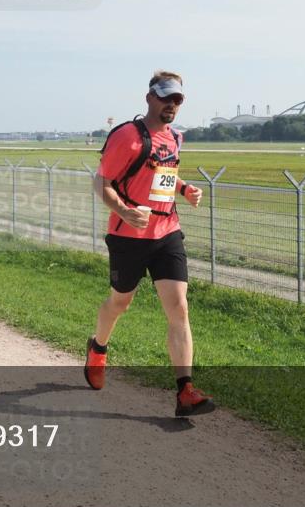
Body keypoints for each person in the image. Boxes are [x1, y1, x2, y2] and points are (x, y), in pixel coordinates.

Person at [85, 70, 214, 418]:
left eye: (178, 99)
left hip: (166, 232)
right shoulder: (127, 136)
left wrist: (185, 189)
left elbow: (162, 176)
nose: (172, 105)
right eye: (166, 97)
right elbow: (101, 183)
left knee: (179, 308)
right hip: (128, 237)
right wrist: (124, 211)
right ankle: (98, 347)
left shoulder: (174, 139)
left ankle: (185, 390)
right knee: (119, 303)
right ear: (150, 98)